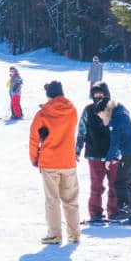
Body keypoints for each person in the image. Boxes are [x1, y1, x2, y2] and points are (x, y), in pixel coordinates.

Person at [29, 81, 80, 244]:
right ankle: (74, 234)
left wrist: (34, 158)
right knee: (71, 200)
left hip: (50, 161)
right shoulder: (72, 110)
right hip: (68, 160)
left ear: (49, 94)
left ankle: (55, 234)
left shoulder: (43, 113)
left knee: (52, 199)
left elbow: (33, 138)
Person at [76, 81, 118, 223]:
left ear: (106, 93)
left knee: (114, 185)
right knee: (96, 186)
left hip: (112, 155)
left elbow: (121, 129)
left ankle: (113, 212)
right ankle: (95, 213)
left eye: (100, 93)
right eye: (95, 94)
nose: (98, 96)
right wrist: (77, 150)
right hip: (94, 154)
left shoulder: (113, 108)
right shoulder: (88, 110)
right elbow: (82, 130)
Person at [100, 94, 131, 219]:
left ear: (105, 111)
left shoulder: (115, 121)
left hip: (130, 153)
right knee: (128, 182)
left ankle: (125, 209)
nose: (99, 117)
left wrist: (108, 159)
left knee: (120, 182)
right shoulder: (121, 113)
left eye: (100, 114)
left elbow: (115, 143)